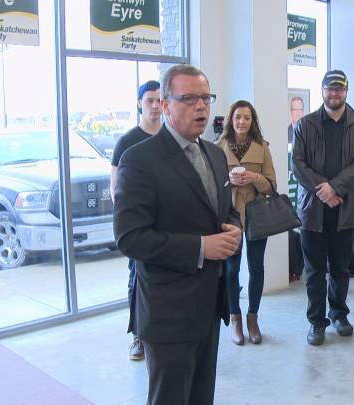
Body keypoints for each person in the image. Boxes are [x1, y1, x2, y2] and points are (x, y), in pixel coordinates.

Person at [113, 65, 242, 405]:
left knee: (201, 397)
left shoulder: (215, 154)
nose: (201, 107)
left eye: (205, 98)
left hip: (209, 305)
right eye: (189, 99)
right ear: (165, 105)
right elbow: (130, 238)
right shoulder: (139, 160)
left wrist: (234, 228)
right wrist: (201, 247)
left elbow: (225, 210)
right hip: (168, 312)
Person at [291, 70, 354, 346]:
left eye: (339, 89)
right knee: (314, 270)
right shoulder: (305, 125)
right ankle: (316, 321)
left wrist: (335, 188)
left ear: (346, 91)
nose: (334, 93)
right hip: (312, 209)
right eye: (330, 88)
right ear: (322, 90)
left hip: (345, 208)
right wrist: (324, 190)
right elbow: (298, 164)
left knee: (340, 267)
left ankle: (339, 314)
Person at [215, 100, 277, 345]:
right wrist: (228, 180)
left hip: (256, 213)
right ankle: (235, 319)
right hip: (229, 214)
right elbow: (211, 186)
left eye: (247, 118)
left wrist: (255, 177)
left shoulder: (262, 147)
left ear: (253, 121)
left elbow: (272, 186)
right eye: (238, 117)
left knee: (256, 267)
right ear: (230, 120)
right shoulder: (217, 147)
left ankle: (253, 318)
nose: (242, 122)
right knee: (231, 269)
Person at [109, 80, 162, 362]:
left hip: (167, 226)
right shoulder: (127, 142)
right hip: (140, 227)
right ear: (140, 103)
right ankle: (138, 336)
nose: (155, 106)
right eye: (149, 100)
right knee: (137, 279)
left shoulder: (171, 136)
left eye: (159, 100)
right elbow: (116, 188)